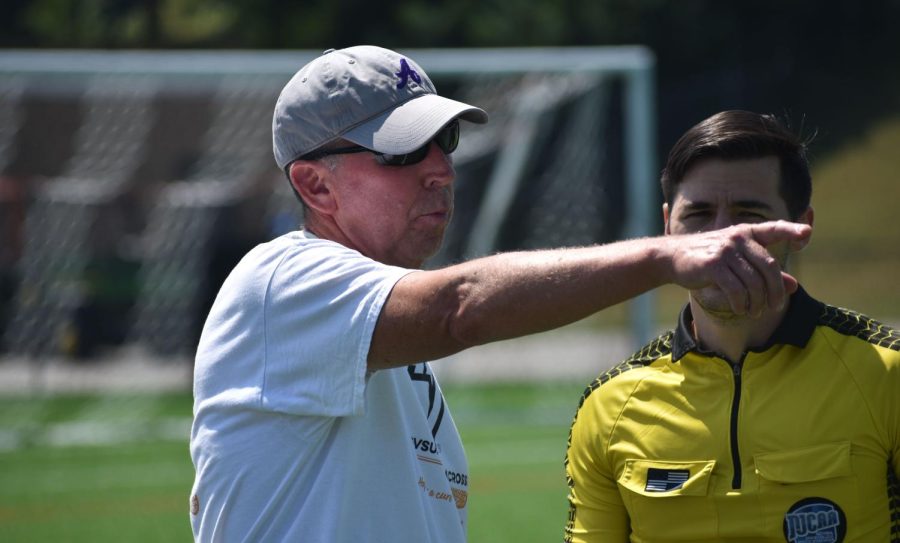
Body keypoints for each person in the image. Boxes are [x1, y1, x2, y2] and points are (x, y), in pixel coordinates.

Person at [188, 47, 811, 542]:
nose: (441, 168)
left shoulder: (369, 327)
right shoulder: (282, 282)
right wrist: (665, 255)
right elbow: (459, 308)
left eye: (445, 142)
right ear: (314, 186)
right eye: (404, 150)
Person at [564, 110, 900, 542]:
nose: (722, 238)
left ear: (802, 228)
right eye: (699, 214)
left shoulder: (886, 374)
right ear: (667, 227)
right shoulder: (608, 407)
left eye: (748, 215)